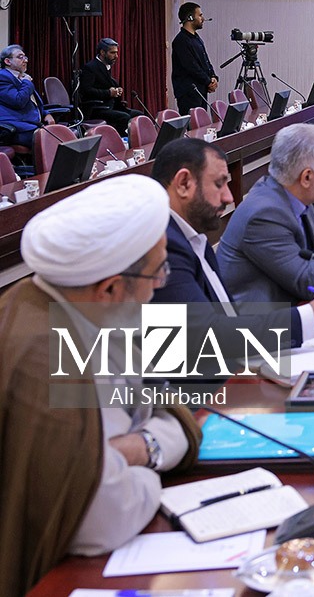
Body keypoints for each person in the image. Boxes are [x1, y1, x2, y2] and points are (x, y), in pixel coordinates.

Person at [0, 175, 202, 592]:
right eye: (158, 272)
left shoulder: (88, 310)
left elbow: (164, 410)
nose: (161, 284)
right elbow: (104, 519)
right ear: (109, 288)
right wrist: (142, 465)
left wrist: (140, 448)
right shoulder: (44, 355)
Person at [151, 138, 314, 374]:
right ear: (183, 183)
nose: (229, 198)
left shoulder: (191, 236)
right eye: (219, 184)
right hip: (209, 387)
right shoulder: (164, 247)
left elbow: (224, 320)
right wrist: (309, 318)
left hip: (241, 359)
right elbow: (204, 337)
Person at [216, 123, 314, 307]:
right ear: (307, 177)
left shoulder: (299, 198)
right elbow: (307, 282)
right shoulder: (264, 215)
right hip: (256, 320)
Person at [79, 37, 146, 134]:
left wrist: (117, 90)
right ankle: (120, 141)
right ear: (102, 52)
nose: (116, 56)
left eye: (116, 53)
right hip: (97, 109)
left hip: (111, 106)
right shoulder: (90, 67)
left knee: (139, 115)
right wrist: (109, 93)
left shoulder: (107, 66)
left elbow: (105, 84)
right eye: (112, 53)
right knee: (124, 117)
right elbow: (86, 90)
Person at [0, 43, 53, 145]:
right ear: (7, 61)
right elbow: (18, 101)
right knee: (53, 139)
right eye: (20, 57)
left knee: (63, 134)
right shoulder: (3, 77)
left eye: (25, 57)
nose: (25, 60)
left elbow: (33, 102)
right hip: (16, 128)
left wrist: (46, 113)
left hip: (32, 124)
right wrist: (27, 82)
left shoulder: (22, 77)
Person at [171, 2, 217, 116]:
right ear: (190, 17)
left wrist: (213, 77)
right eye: (200, 15)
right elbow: (191, 66)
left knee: (202, 122)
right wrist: (208, 81)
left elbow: (205, 61)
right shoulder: (181, 41)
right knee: (193, 124)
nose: (203, 19)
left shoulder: (196, 38)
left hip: (201, 89)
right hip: (189, 92)